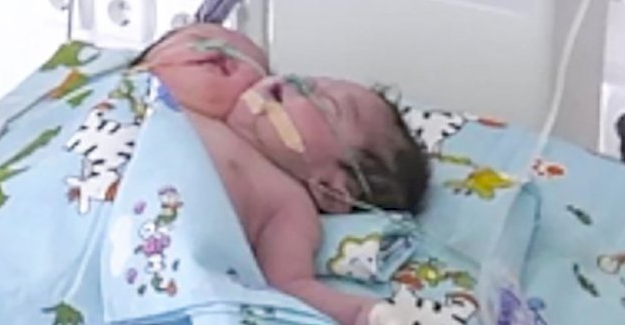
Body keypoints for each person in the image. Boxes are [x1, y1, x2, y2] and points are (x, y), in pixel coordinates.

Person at [140, 23, 430, 325]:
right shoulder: (196, 112)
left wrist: (364, 313)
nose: (298, 84)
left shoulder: (288, 204)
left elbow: (291, 288)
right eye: (313, 81)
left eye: (329, 105)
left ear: (332, 191)